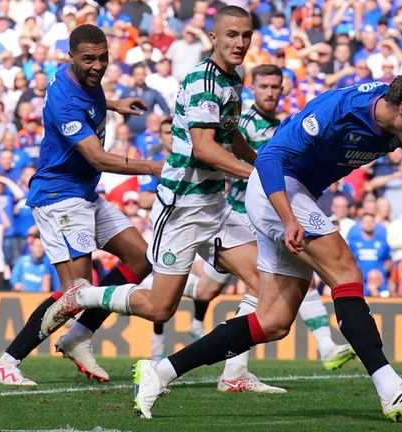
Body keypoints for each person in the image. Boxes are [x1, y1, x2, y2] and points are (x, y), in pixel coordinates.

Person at [132, 65, 402, 420]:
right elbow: (268, 158)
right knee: (345, 272)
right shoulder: (339, 110)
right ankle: (390, 389)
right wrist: (288, 218)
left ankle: (159, 373)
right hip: (276, 188)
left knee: (273, 322)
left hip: (295, 194)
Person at [43, 7, 284, 394]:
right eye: (231, 35)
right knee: (159, 308)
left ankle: (234, 374)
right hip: (183, 207)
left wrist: (262, 162)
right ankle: (82, 294)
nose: (240, 43)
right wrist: (260, 176)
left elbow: (229, 134)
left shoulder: (233, 78)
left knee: (262, 280)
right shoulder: (204, 82)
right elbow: (205, 149)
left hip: (214, 204)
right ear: (213, 37)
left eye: (246, 35)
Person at [0, 24, 162, 387]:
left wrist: (112, 103)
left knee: (141, 258)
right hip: (58, 197)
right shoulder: (65, 100)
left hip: (84, 193)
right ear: (71, 57)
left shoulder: (75, 80)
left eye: (103, 57)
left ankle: (78, 337)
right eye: (88, 59)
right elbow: (99, 158)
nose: (97, 66)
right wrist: (156, 166)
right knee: (76, 290)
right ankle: (5, 362)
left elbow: (88, 97)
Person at [152, 64, 357, 377]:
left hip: (264, 217)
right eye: (264, 87)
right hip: (239, 214)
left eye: (276, 87)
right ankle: (319, 345)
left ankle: (237, 371)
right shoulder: (243, 122)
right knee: (248, 286)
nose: (270, 93)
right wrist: (262, 174)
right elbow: (219, 150)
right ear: (254, 89)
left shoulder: (282, 125)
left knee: (268, 284)